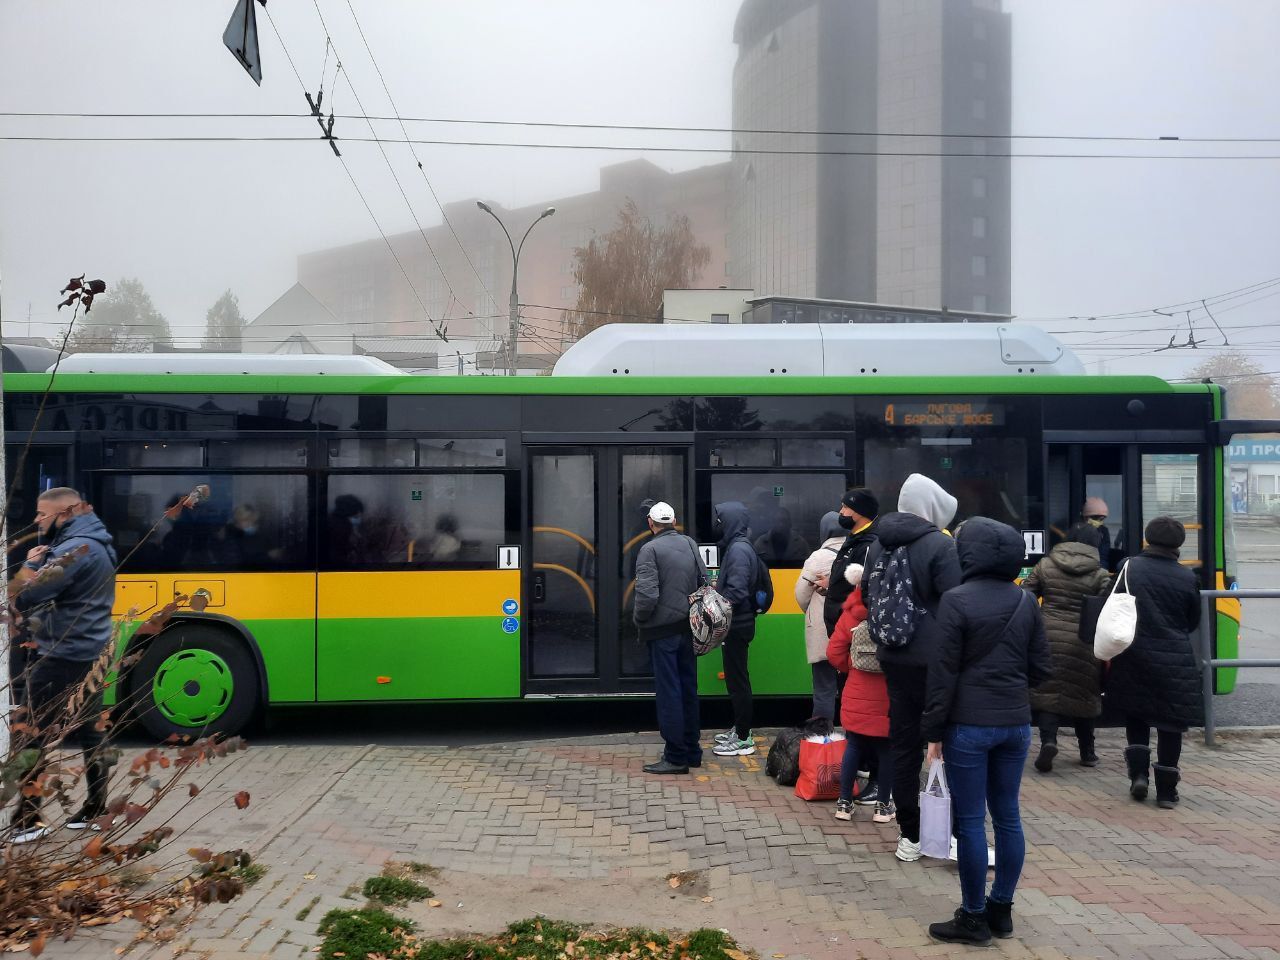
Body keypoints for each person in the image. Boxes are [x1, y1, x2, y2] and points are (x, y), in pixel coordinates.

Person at [921, 518, 1051, 945]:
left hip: (969, 726)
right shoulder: (1026, 601)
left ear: (968, 554)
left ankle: (973, 918)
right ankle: (1002, 910)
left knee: (972, 821)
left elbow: (943, 674)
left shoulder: (955, 600)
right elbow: (1042, 669)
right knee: (1009, 816)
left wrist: (934, 732)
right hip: (1015, 724)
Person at [7, 488, 118, 844]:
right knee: (90, 729)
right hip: (90, 650)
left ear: (66, 512)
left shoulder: (74, 550)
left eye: (42, 514)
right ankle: (98, 808)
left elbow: (23, 595)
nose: (37, 520)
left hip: (63, 654)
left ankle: (28, 819)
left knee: (30, 730)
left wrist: (32, 563)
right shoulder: (97, 542)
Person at [861, 474, 962, 863]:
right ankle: (951, 834)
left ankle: (910, 834)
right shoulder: (940, 545)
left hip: (893, 656)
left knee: (903, 746)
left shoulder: (877, 544)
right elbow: (955, 604)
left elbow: (868, 596)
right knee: (946, 744)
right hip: (935, 661)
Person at [1105, 516, 1202, 809]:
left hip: (1133, 652)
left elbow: (1111, 602)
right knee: (1171, 725)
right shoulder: (1187, 577)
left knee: (1137, 715)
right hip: (1175, 659)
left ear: (1148, 538)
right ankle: (1166, 793)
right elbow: (1192, 620)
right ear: (1179, 544)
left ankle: (1138, 776)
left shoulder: (1129, 567)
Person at [1022, 525, 1111, 772]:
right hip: (1083, 639)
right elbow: (1106, 608)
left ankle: (1048, 742)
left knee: (1048, 693)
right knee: (1084, 692)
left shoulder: (1045, 566)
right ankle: (1087, 752)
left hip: (1047, 635)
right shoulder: (1101, 574)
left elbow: (1026, 595)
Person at [633, 501, 708, 775]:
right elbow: (704, 583)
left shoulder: (649, 550)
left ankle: (675, 757)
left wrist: (640, 620)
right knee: (688, 689)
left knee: (669, 693)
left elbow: (647, 596)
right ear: (673, 520)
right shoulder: (689, 543)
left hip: (662, 632)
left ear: (650, 523)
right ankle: (692, 750)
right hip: (688, 628)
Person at [826, 563, 895, 825]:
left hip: (855, 691)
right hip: (888, 696)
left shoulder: (851, 615)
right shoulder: (896, 615)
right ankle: (882, 806)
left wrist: (853, 668)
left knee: (853, 747)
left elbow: (834, 653)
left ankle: (844, 803)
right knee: (886, 750)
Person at [711, 501, 760, 757]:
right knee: (735, 679)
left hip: (737, 625)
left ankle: (743, 738)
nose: (717, 524)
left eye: (720, 520)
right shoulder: (737, 546)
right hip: (738, 623)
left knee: (738, 681)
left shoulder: (739, 550)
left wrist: (714, 601)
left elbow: (737, 591)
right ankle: (740, 729)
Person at [794, 511, 844, 723]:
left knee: (824, 687)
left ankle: (823, 740)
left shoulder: (819, 557)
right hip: (851, 630)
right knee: (851, 687)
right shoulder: (861, 551)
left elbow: (801, 594)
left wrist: (813, 610)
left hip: (825, 631)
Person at [822, 489, 880, 640]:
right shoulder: (854, 539)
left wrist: (846, 620)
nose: (841, 512)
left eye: (846, 507)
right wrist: (830, 585)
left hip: (851, 630)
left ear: (860, 511)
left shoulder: (868, 544)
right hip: (841, 626)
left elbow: (865, 589)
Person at [1069, 496, 1116, 570]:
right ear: (1085, 517)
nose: (1098, 521)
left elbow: (1103, 556)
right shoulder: (1076, 529)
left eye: (1101, 519)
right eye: (1095, 518)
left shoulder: (1103, 531)